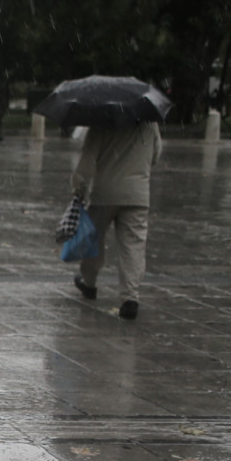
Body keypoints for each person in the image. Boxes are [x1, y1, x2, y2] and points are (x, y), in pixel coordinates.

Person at [70, 121, 162, 320]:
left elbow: (87, 160)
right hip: (137, 195)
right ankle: (130, 298)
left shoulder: (101, 122)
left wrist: (79, 188)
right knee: (133, 245)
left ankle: (89, 282)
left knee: (94, 240)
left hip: (104, 193)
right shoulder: (149, 123)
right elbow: (156, 155)